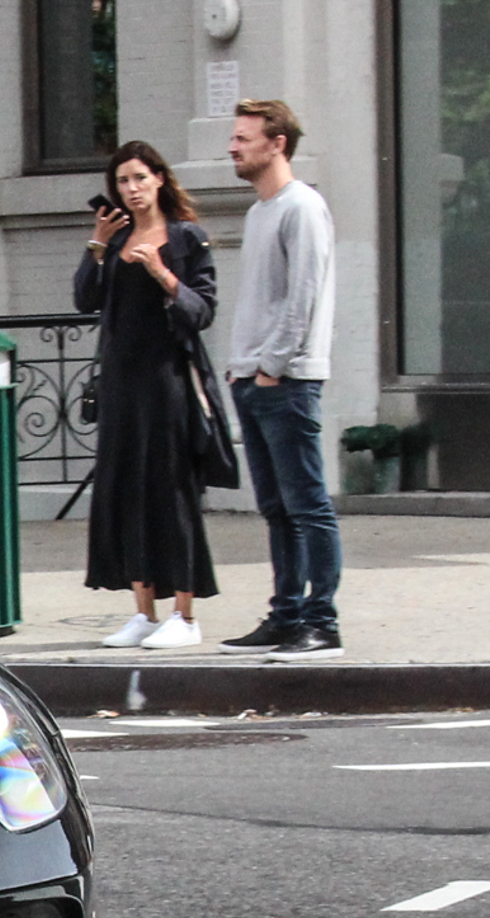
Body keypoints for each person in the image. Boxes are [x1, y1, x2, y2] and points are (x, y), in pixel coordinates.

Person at [76, 141, 221, 648]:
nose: (131, 190)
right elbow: (84, 300)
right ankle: (143, 608)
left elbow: (201, 309)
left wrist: (160, 271)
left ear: (159, 179)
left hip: (168, 382)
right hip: (121, 383)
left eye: (139, 178)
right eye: (122, 182)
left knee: (170, 491)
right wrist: (97, 245)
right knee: (126, 490)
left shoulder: (186, 238)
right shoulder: (114, 239)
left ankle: (183, 614)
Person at [218, 98, 344, 657]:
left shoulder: (302, 207)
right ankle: (286, 614)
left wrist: (270, 368)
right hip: (253, 379)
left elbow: (303, 298)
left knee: (308, 505)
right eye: (234, 137)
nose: (233, 146)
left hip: (287, 381)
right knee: (276, 509)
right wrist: (242, 367)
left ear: (277, 144)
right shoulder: (258, 211)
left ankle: (322, 620)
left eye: (244, 138)